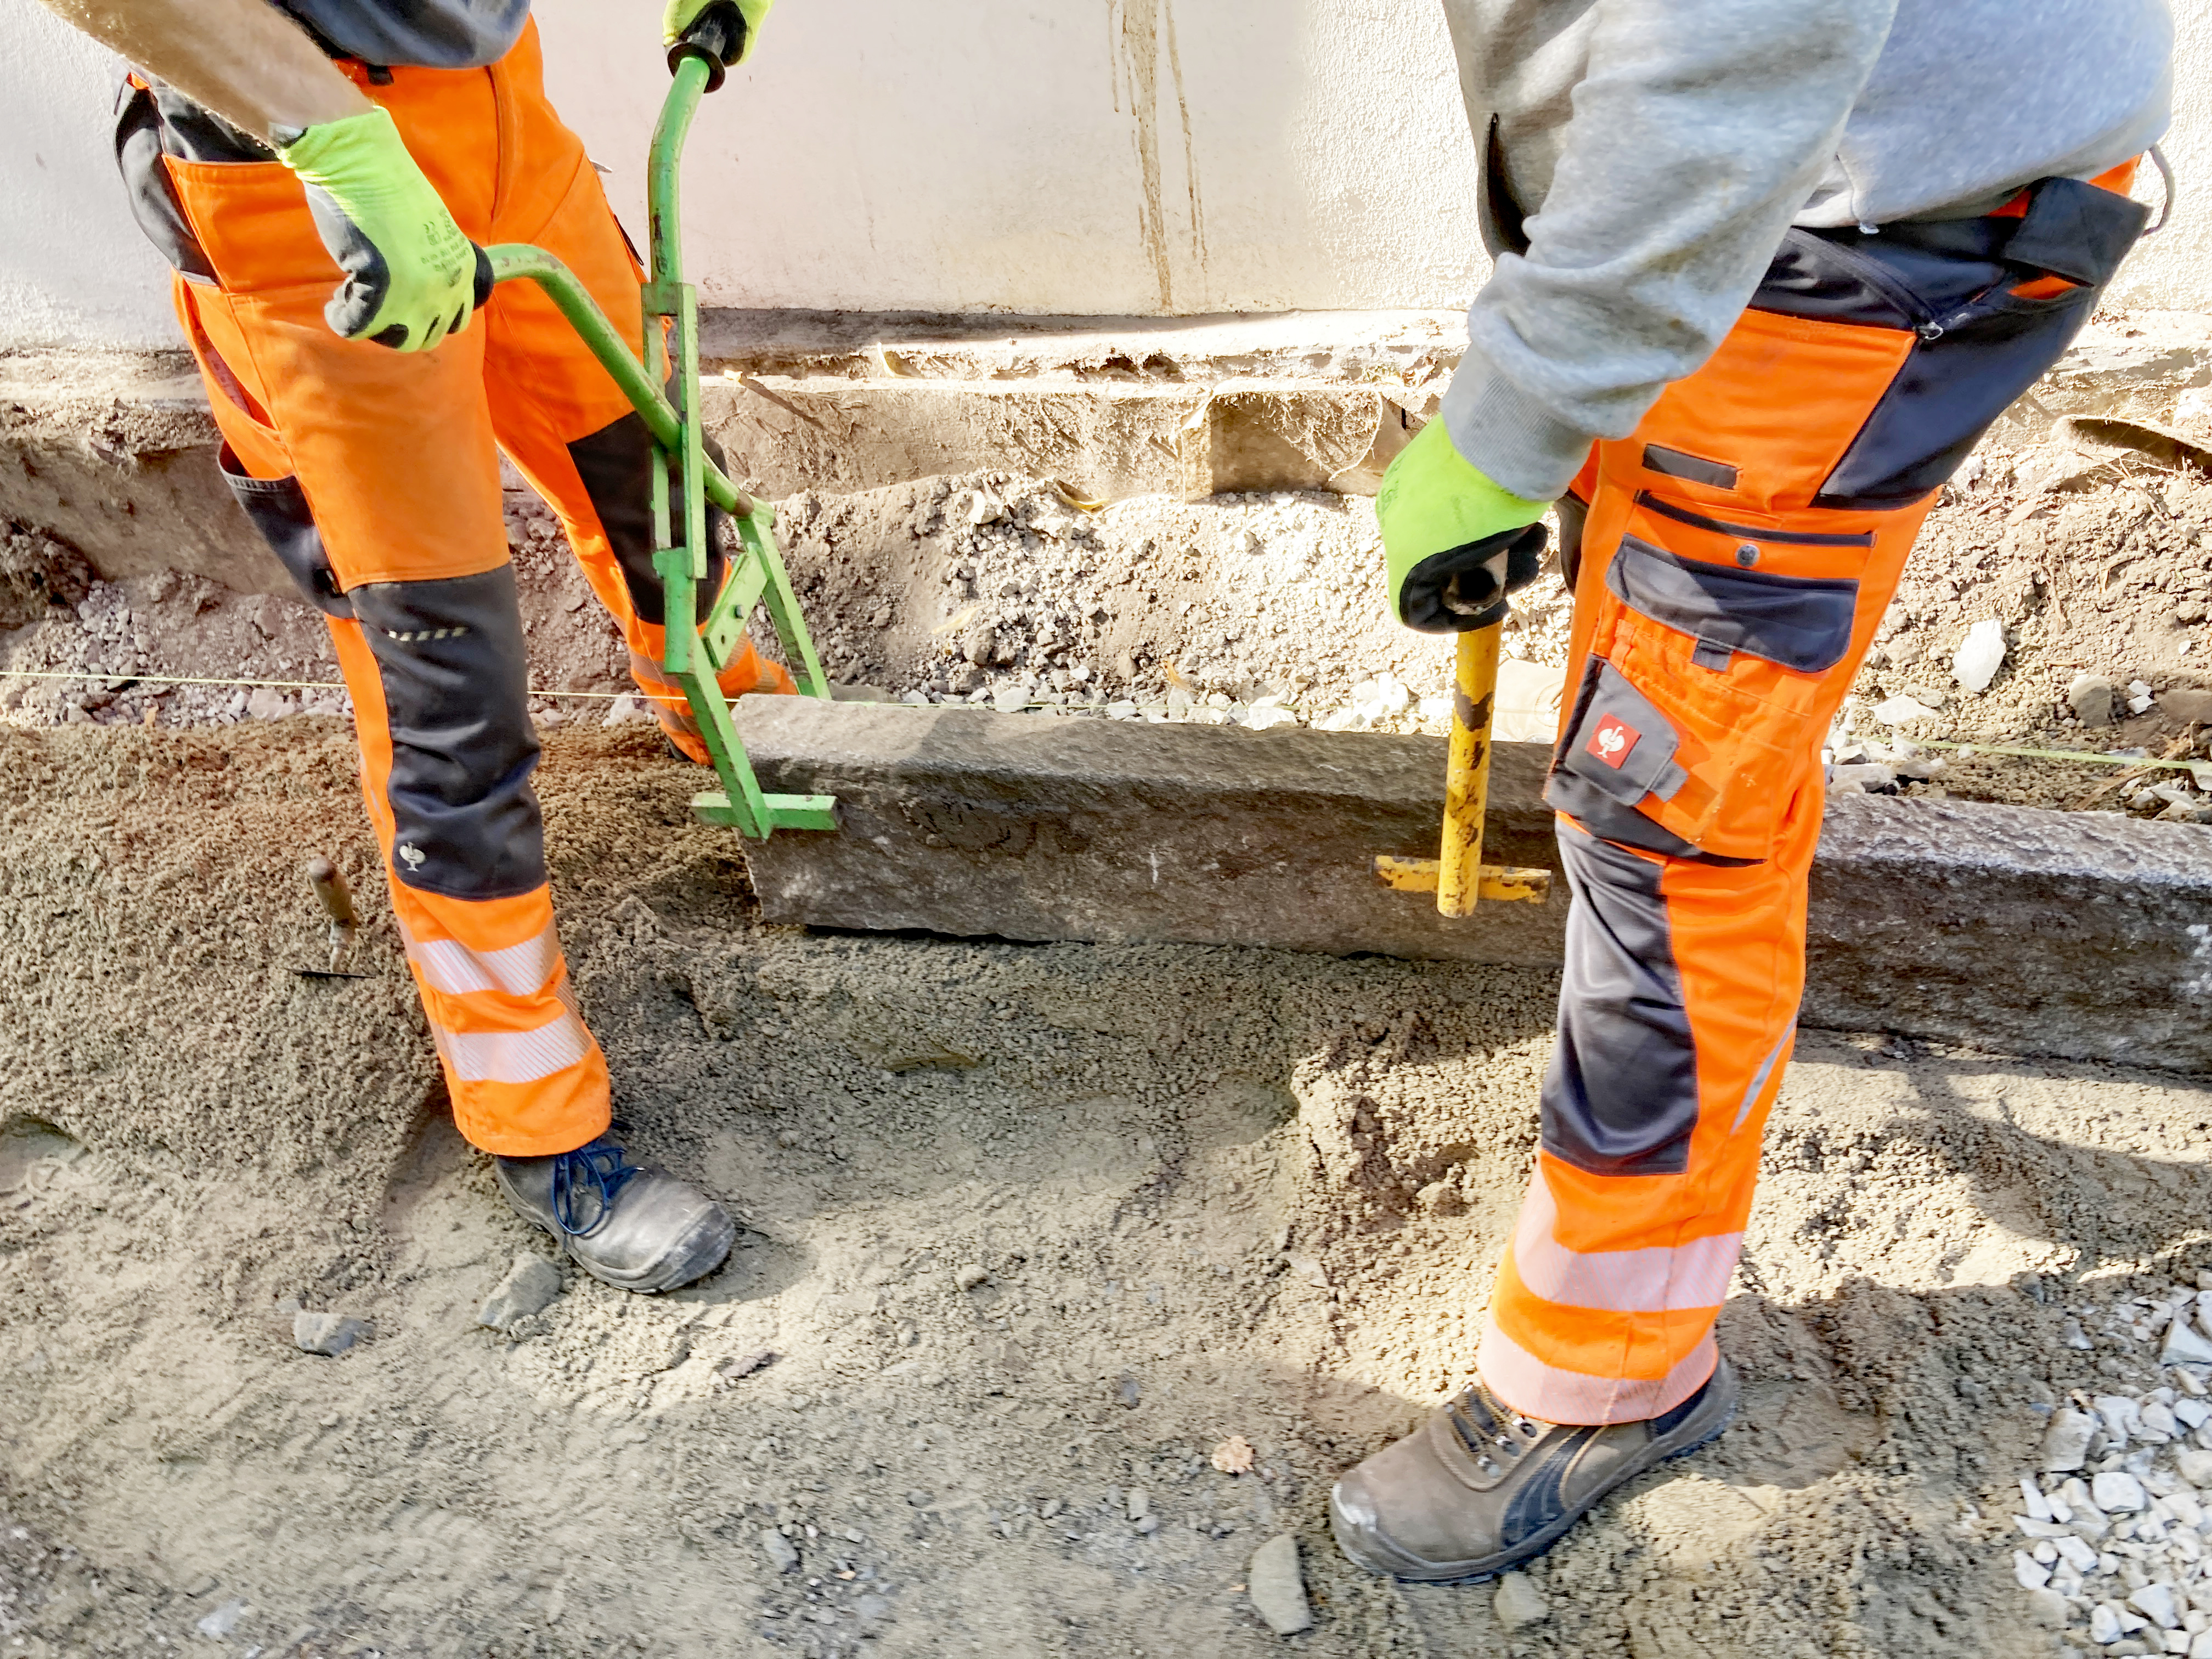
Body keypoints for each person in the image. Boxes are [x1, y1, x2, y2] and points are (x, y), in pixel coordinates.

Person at [1335, 0, 2173, 1583]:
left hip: (1850, 217)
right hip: (1835, 195)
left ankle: (1611, 1382)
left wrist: (1514, 421)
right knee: (1681, 737)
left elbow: (1746, 35)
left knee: (1671, 821)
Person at [41, 0, 789, 1293]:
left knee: (664, 494)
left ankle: (749, 740)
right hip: (302, 185)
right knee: (445, 676)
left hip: (501, 110)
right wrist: (339, 144)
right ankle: (536, 1116)